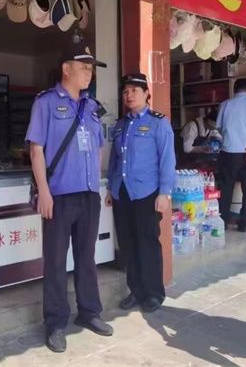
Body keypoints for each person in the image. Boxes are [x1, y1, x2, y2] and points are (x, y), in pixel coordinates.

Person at [26, 41, 113, 353]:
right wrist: (44, 191)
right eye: (84, 67)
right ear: (66, 69)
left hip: (88, 195)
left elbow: (98, 147)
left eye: (91, 69)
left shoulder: (91, 106)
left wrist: (96, 184)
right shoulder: (46, 103)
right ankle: (55, 323)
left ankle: (89, 312)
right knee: (55, 261)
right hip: (59, 196)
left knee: (87, 257)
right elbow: (36, 150)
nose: (89, 73)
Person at [105, 73, 176, 313]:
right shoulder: (121, 125)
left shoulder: (158, 123)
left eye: (134, 90)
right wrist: (110, 188)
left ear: (146, 93)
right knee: (127, 243)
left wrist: (165, 193)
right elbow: (115, 159)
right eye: (126, 91)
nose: (129, 95)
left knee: (147, 242)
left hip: (147, 193)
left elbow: (167, 160)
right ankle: (135, 291)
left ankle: (154, 293)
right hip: (121, 192)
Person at [216, 78, 246, 232]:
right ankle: (244, 224)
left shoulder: (225, 104)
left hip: (230, 152)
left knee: (226, 187)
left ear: (234, 89)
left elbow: (219, 127)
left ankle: (222, 221)